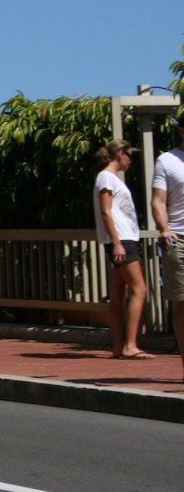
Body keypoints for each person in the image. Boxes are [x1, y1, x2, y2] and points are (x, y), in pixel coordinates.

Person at [93, 139, 153, 359]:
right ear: (119, 154)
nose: (130, 159)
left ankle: (119, 346)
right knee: (140, 289)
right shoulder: (106, 177)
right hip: (122, 239)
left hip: (123, 238)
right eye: (129, 155)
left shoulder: (111, 178)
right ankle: (130, 344)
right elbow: (106, 211)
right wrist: (117, 242)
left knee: (119, 292)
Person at [151, 116, 184, 380]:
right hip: (180, 239)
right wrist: (164, 228)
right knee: (182, 304)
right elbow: (158, 201)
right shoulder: (167, 161)